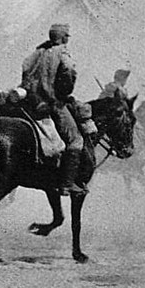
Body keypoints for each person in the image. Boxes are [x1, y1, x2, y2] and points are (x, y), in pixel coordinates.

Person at [20, 23, 95, 196]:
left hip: (31, 101)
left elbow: (25, 67)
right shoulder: (62, 52)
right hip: (52, 103)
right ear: (62, 38)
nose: (68, 39)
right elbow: (68, 70)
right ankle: (67, 184)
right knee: (76, 140)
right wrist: (63, 91)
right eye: (67, 36)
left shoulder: (38, 52)